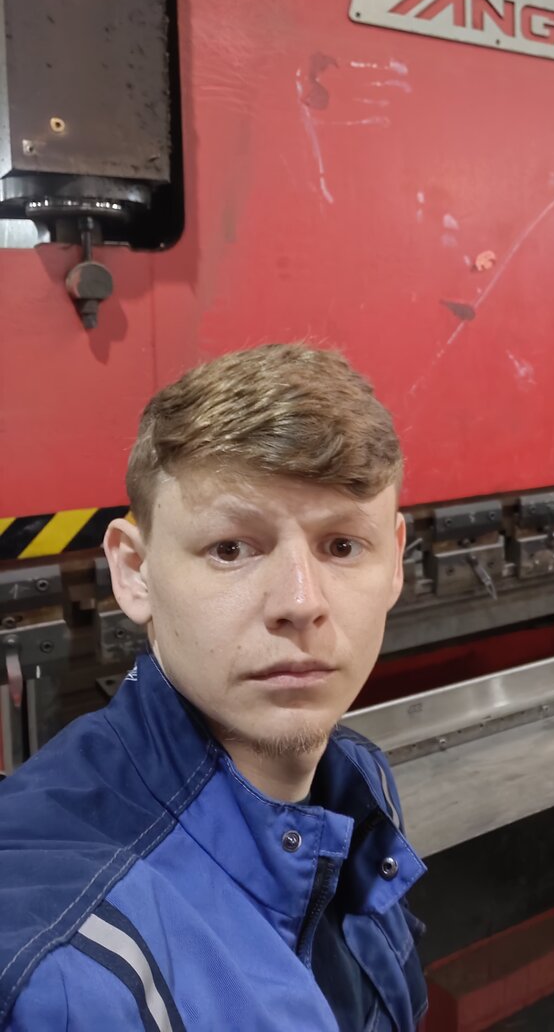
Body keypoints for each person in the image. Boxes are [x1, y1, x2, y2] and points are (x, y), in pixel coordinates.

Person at [0, 344, 427, 1031]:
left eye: (342, 546)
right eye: (231, 549)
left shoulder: (355, 780)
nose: (301, 603)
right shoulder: (59, 969)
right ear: (134, 571)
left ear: (396, 561)